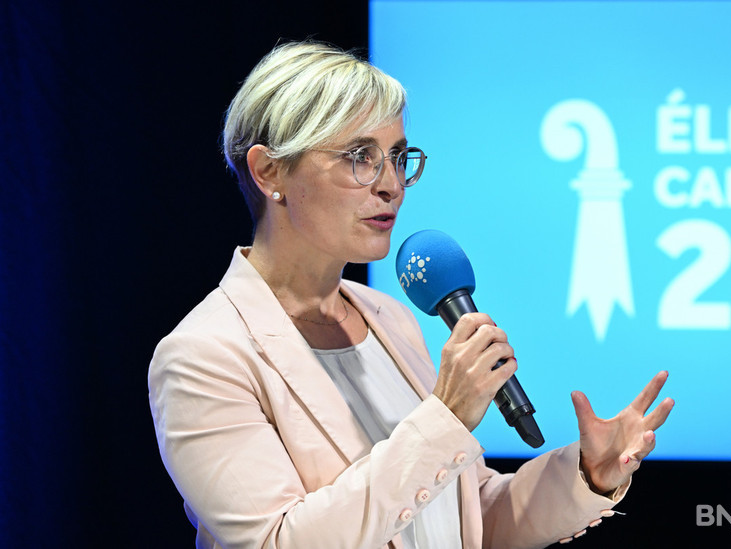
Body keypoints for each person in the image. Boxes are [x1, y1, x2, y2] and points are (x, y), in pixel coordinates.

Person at [148, 41, 674, 549]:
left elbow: (465, 518)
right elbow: (278, 542)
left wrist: (585, 474)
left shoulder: (388, 317)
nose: (391, 184)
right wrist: (445, 418)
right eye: (360, 156)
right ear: (269, 171)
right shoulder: (203, 357)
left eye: (398, 157)